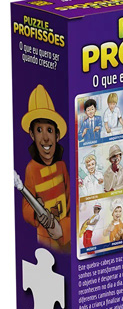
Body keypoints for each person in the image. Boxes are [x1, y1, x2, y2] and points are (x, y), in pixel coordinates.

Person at [20, 85, 70, 251]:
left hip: (66, 239)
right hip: (44, 244)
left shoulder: (62, 166)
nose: (46, 138)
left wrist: (63, 229)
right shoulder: (31, 169)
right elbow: (26, 208)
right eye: (39, 130)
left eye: (49, 130)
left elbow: (73, 203)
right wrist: (36, 213)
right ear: (32, 135)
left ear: (57, 135)